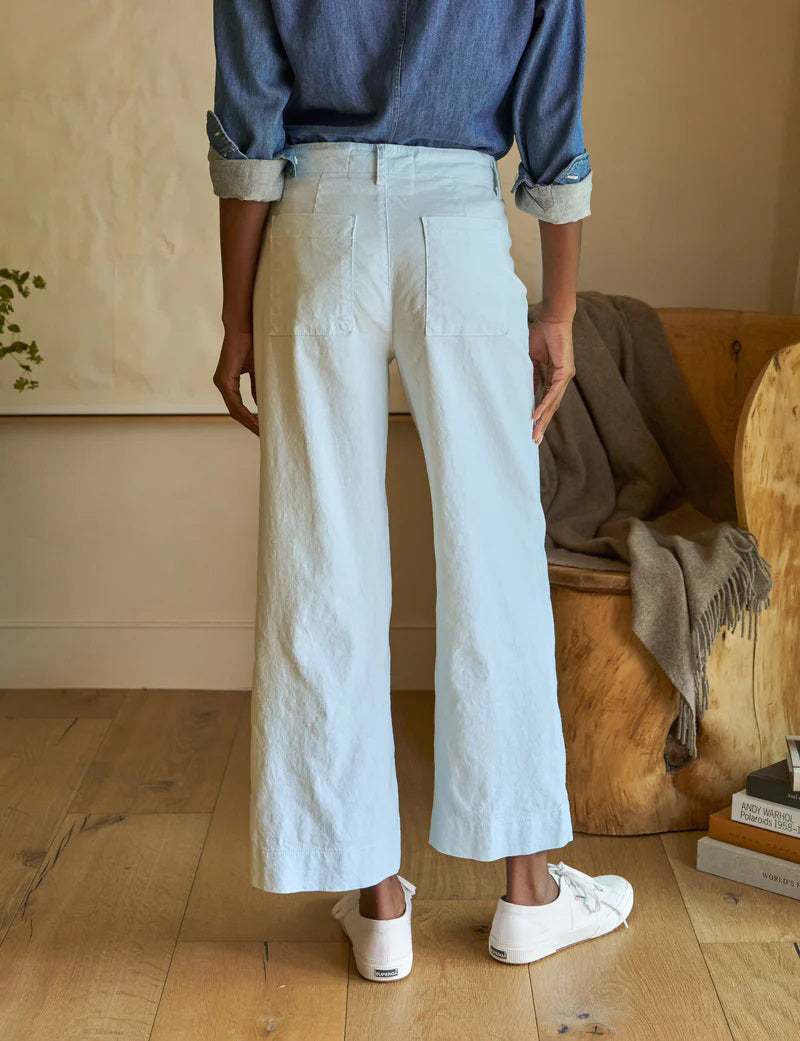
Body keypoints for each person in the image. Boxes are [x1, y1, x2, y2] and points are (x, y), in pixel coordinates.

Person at [207, 0, 633, 981]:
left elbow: (247, 130)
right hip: (457, 223)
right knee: (495, 562)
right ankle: (526, 895)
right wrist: (558, 310)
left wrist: (234, 315)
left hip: (314, 228)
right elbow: (553, 129)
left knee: (322, 560)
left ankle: (376, 900)